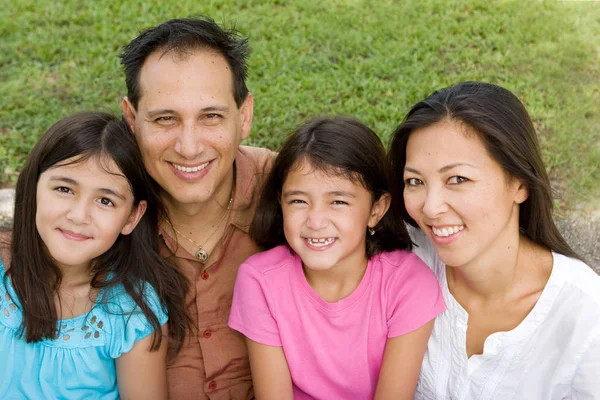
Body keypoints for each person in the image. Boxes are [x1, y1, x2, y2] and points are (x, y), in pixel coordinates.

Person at [388, 81, 600, 399]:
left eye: (457, 179)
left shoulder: (586, 319)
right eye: (415, 180)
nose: (430, 208)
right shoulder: (410, 257)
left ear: (519, 184)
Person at [228, 116, 446, 399]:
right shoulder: (260, 280)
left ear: (376, 210)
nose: (316, 221)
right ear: (280, 203)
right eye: (298, 201)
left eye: (338, 202)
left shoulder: (408, 283)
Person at [120, 17, 274, 399]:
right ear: (131, 119)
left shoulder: (294, 193)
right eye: (165, 119)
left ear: (245, 115)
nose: (189, 147)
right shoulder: (102, 207)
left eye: (211, 117)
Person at [0, 112, 188, 399]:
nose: (78, 215)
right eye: (64, 189)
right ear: (33, 186)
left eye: (105, 200)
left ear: (132, 217)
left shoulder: (131, 314)